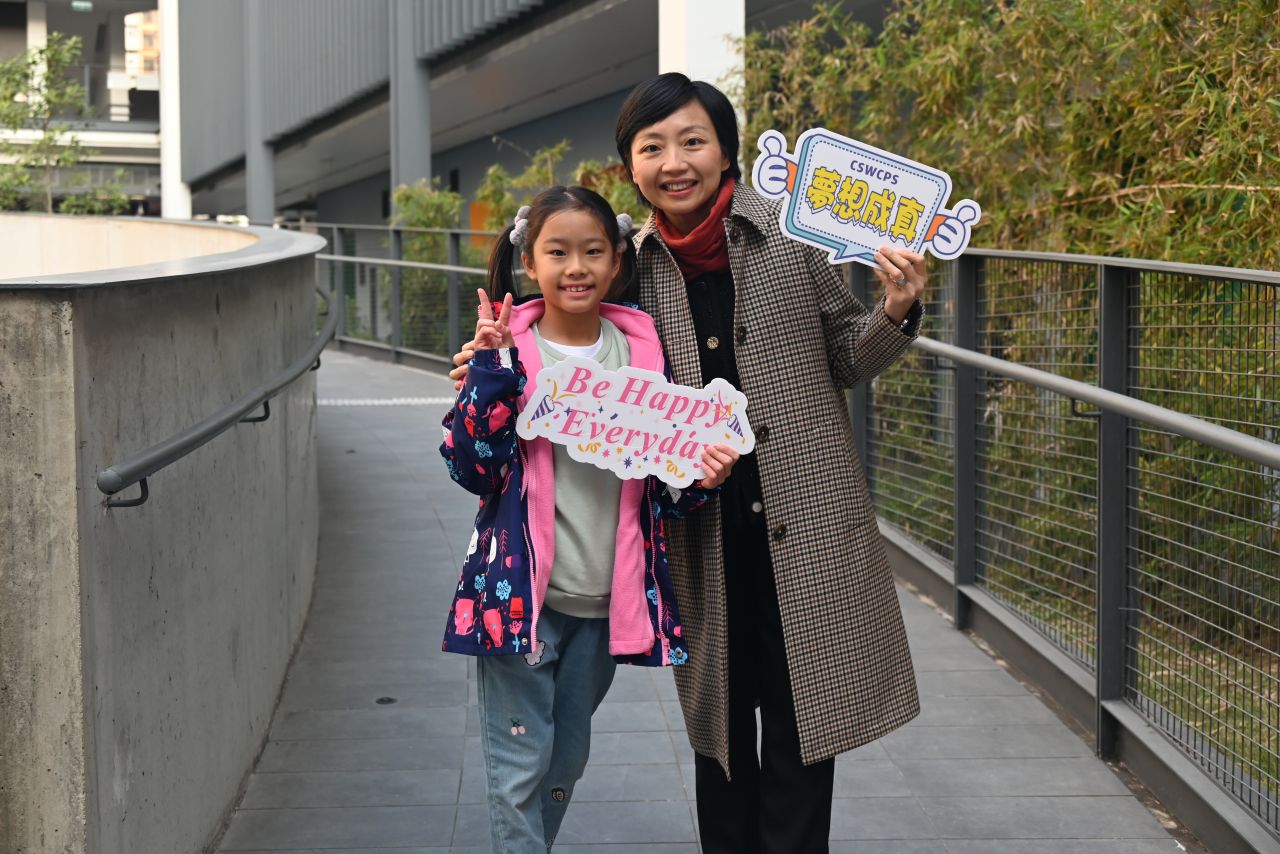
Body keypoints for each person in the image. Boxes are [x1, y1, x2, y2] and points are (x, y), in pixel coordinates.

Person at [439, 184, 740, 853]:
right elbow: (472, 468)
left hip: (606, 603)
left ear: (616, 260)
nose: (576, 267)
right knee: (519, 766)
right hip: (521, 597)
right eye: (558, 252)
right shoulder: (507, 353)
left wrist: (700, 479)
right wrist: (490, 373)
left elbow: (666, 488)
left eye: (592, 251)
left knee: (564, 761)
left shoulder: (644, 355)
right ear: (530, 262)